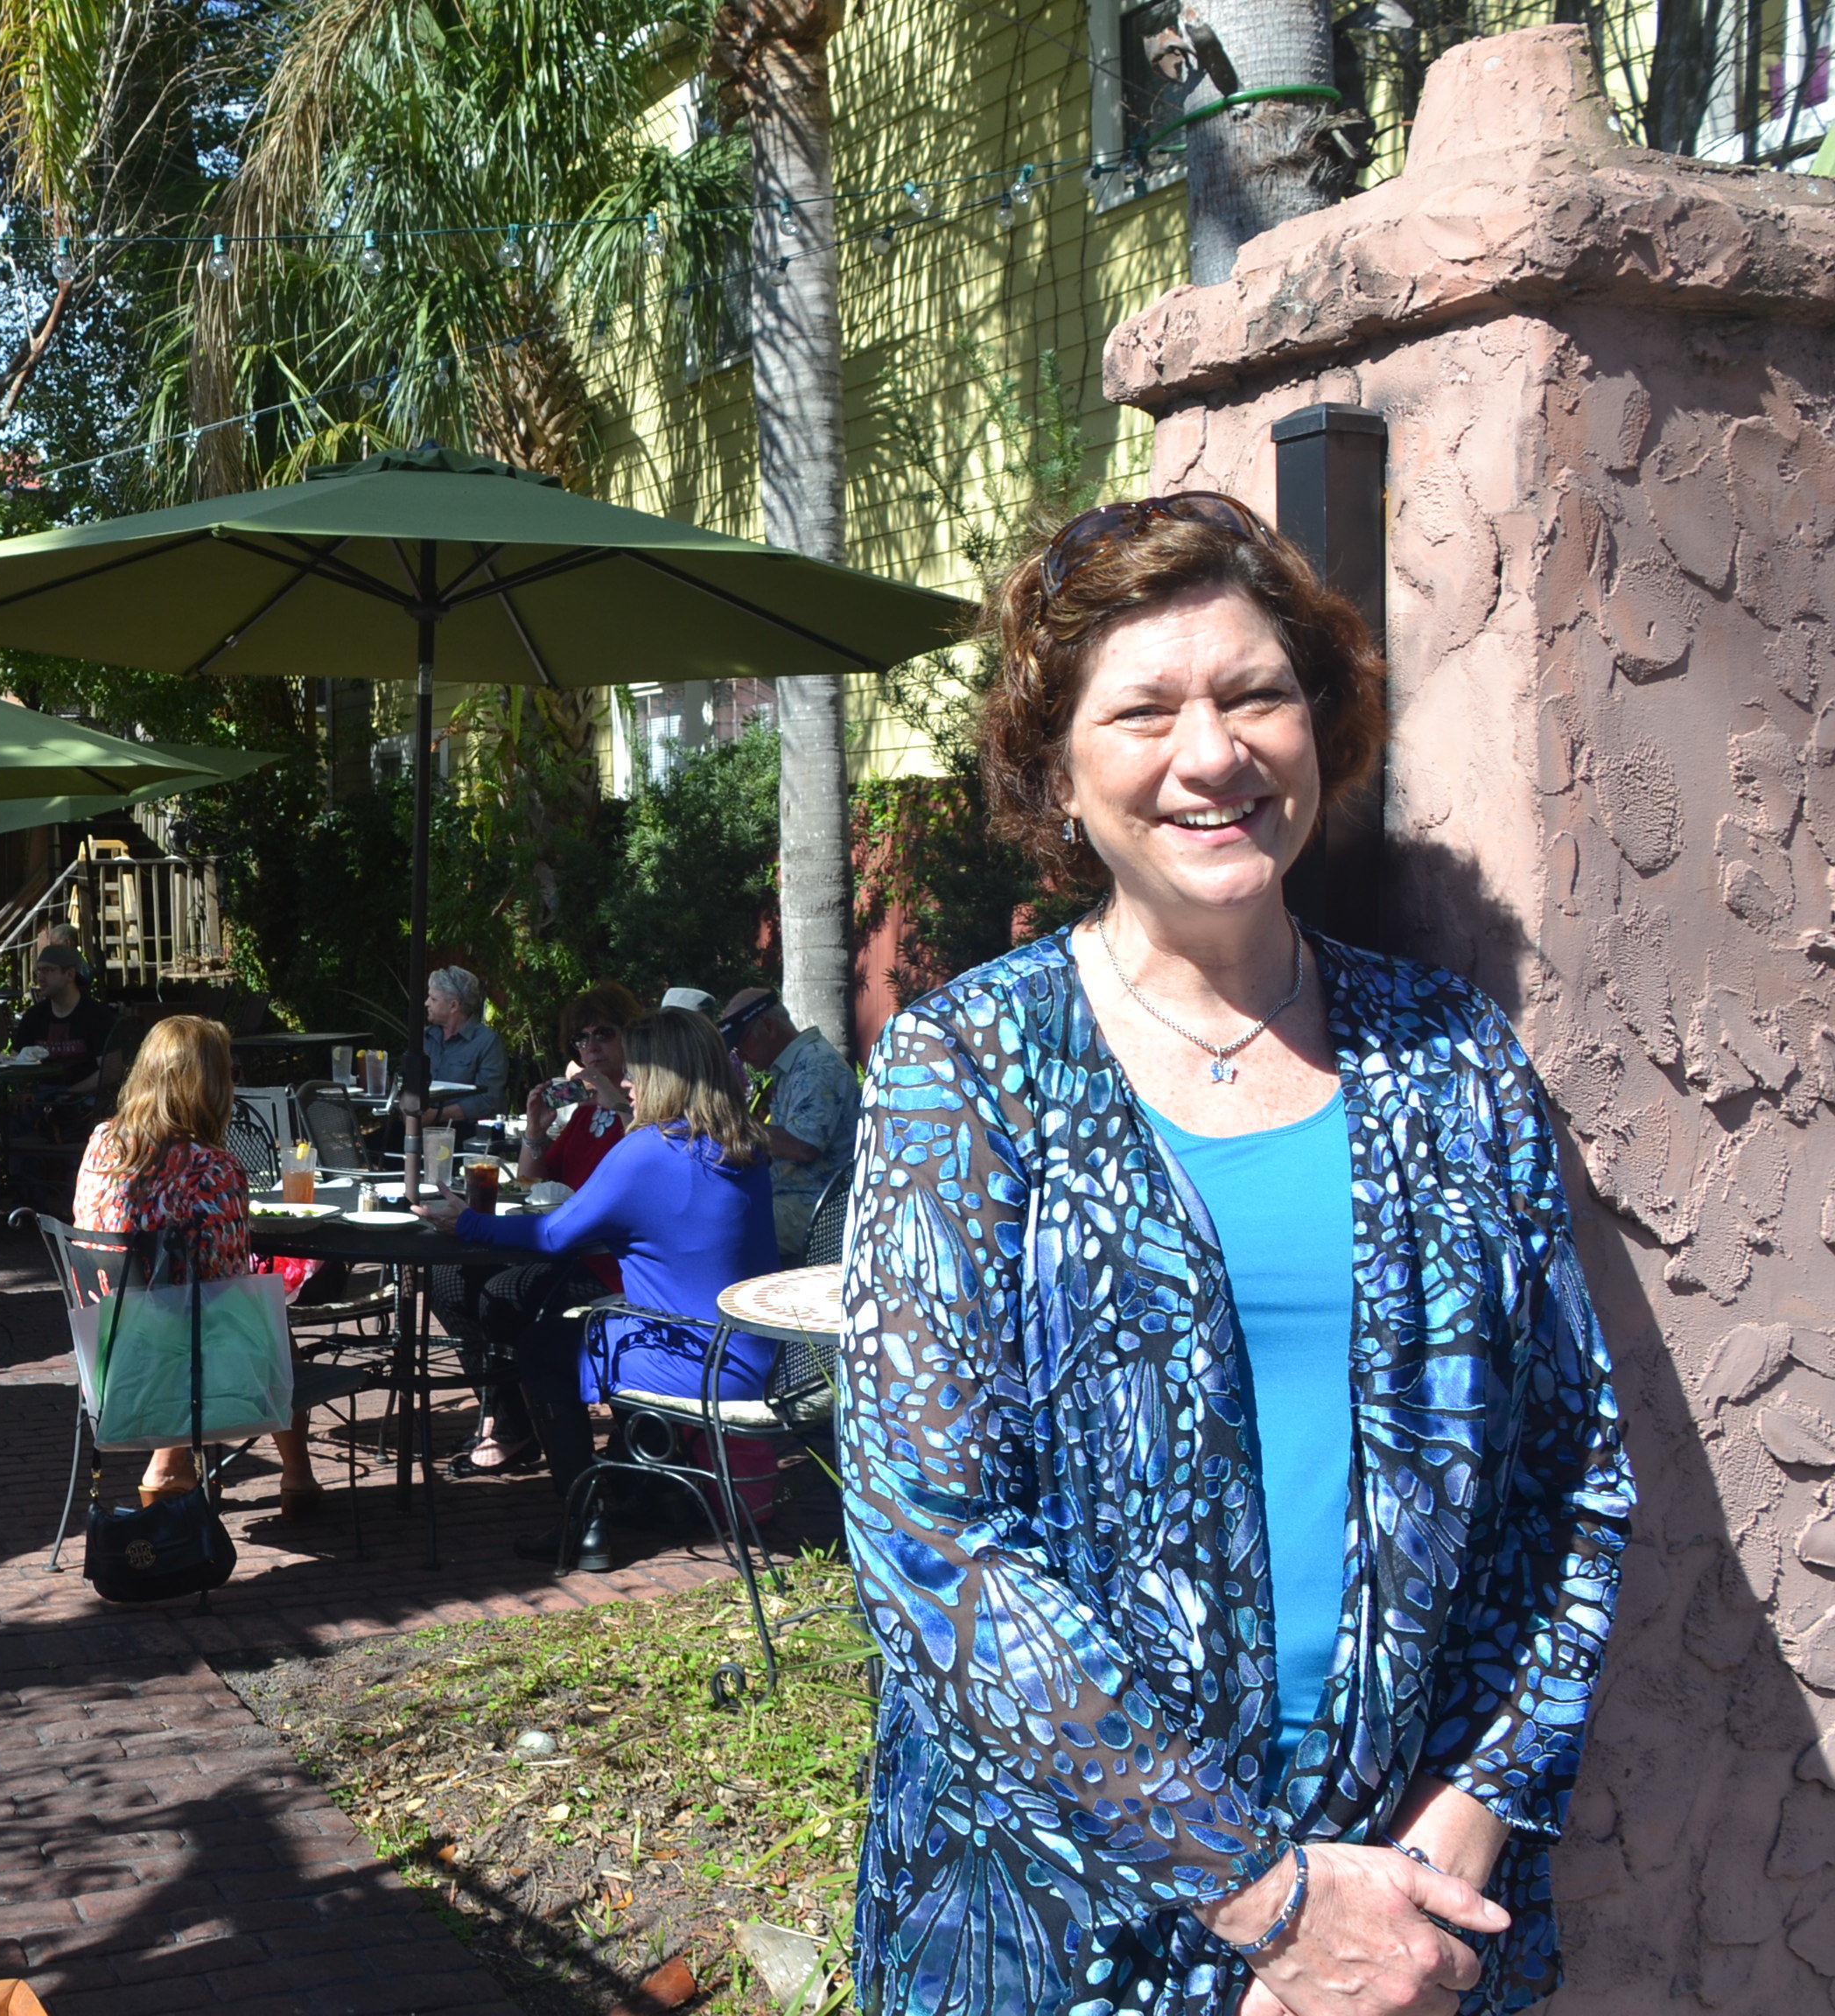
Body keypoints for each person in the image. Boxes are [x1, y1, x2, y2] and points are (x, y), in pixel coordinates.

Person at [835, 494, 1634, 2016]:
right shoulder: (969, 1070)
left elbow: (1571, 1481)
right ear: (1057, 771)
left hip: (1403, 1909)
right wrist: (1272, 1905)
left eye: (1255, 695)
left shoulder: (1448, 1056)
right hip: (1061, 1919)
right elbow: (931, 1542)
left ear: (1318, 728)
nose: (1211, 754)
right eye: (1144, 710)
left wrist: (1446, 1846)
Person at [417, 1007, 776, 1570]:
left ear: (666, 1075)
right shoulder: (742, 1143)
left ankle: (583, 1522)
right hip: (758, 1350)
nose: (627, 1080)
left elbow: (553, 1234)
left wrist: (467, 1223)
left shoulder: (648, 1151)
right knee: (578, 1327)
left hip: (695, 1358)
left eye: (638, 1069)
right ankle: (651, 1489)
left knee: (543, 1350)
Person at [73, 1015, 324, 1516]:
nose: (234, 1082)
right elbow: (225, 1281)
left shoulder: (103, 1141)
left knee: (188, 1313)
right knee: (268, 1322)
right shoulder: (213, 1167)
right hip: (178, 1361)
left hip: (108, 1348)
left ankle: (177, 1471)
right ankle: (290, 1477)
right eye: (229, 1071)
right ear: (206, 1083)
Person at [437, 982, 640, 1477]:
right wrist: (534, 1129)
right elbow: (533, 1183)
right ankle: (510, 1419)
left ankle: (545, 1432)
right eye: (581, 1039)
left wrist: (616, 1100)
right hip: (562, 1248)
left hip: (612, 1262)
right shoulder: (587, 1112)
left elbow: (646, 1151)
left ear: (632, 1037)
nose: (590, 1047)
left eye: (604, 1034)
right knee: (448, 1279)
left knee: (505, 1295)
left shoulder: (645, 1107)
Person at [715, 986, 858, 1253]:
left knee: (722, 1226)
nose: (741, 1056)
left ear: (768, 1027)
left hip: (819, 1210)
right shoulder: (795, 1066)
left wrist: (734, 1125)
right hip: (795, 1201)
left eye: (742, 1042)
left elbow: (804, 1146)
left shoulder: (817, 1065)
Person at [13, 942, 119, 1094]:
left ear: (70, 974)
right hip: (41, 1098)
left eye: (48, 970)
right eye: (39, 971)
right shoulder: (33, 1017)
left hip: (85, 1100)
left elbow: (111, 1071)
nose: (40, 978)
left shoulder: (97, 1016)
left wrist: (68, 1094)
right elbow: (15, 1062)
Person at [415, 965, 508, 1128]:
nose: (426, 1003)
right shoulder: (424, 1038)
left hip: (465, 1131)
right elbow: (404, 1083)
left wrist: (436, 1115)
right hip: (417, 1127)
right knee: (371, 1143)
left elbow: (488, 1100)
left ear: (453, 1006)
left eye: (433, 999)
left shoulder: (487, 1042)